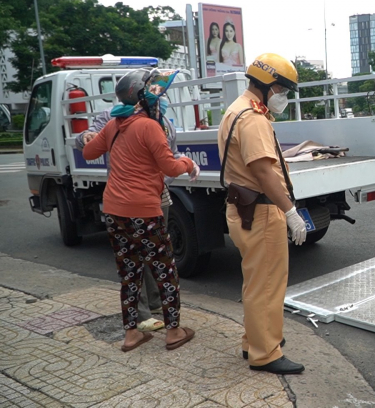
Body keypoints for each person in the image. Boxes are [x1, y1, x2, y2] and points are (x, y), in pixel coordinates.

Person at [83, 68, 200, 352]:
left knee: (129, 272)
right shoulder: (149, 126)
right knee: (165, 270)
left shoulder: (114, 125)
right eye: (154, 92)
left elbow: (88, 153)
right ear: (142, 96)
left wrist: (91, 136)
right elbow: (170, 167)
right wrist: (188, 163)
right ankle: (173, 332)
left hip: (114, 211)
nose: (158, 96)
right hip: (144, 211)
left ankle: (132, 334)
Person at [217, 52, 307, 374]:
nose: (283, 97)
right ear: (268, 85)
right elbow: (263, 171)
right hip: (261, 212)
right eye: (282, 90)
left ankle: (252, 342)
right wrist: (291, 211)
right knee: (268, 284)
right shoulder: (253, 118)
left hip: (243, 208)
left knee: (255, 282)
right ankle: (266, 354)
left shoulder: (235, 111)